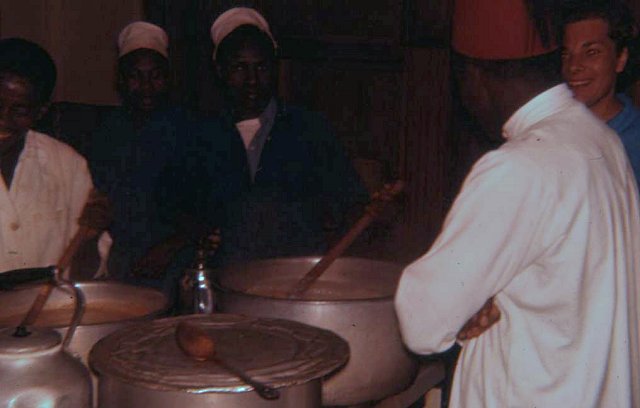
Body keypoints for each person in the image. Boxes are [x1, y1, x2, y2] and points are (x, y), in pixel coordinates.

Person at [394, 0, 640, 406]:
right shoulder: (601, 139)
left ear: (473, 77)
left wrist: (471, 302)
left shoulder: (517, 166)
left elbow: (423, 320)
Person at [167, 7, 368, 265]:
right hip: (226, 281)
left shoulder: (309, 129)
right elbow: (178, 207)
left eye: (261, 67)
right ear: (219, 70)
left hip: (294, 277)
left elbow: (350, 199)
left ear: (275, 68)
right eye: (240, 68)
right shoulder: (202, 136)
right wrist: (197, 232)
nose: (252, 80)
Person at [88, 22, 192, 284]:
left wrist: (168, 248)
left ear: (168, 79)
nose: (146, 86)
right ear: (121, 80)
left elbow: (209, 208)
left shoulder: (192, 130)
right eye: (135, 76)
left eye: (155, 76)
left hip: (178, 259)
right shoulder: (105, 133)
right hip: (120, 257)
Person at [0, 38, 109, 277]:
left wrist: (90, 237)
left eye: (18, 110)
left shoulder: (67, 166)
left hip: (51, 313)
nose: (2, 118)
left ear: (40, 111)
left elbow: (85, 277)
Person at [561, 0, 640, 185]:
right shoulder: (550, 129)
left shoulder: (634, 140)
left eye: (591, 52)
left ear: (621, 58)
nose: (573, 66)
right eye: (566, 54)